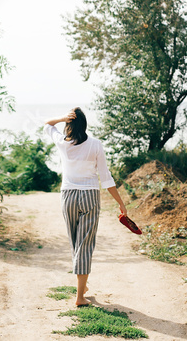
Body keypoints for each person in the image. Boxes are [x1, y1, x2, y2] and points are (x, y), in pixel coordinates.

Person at [44, 107, 127, 307]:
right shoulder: (96, 145)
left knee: (76, 243)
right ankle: (80, 296)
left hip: (68, 196)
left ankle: (83, 288)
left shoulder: (63, 143)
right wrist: (120, 202)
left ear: (69, 125)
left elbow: (47, 125)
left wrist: (62, 117)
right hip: (89, 195)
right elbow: (106, 178)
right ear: (85, 125)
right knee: (85, 245)